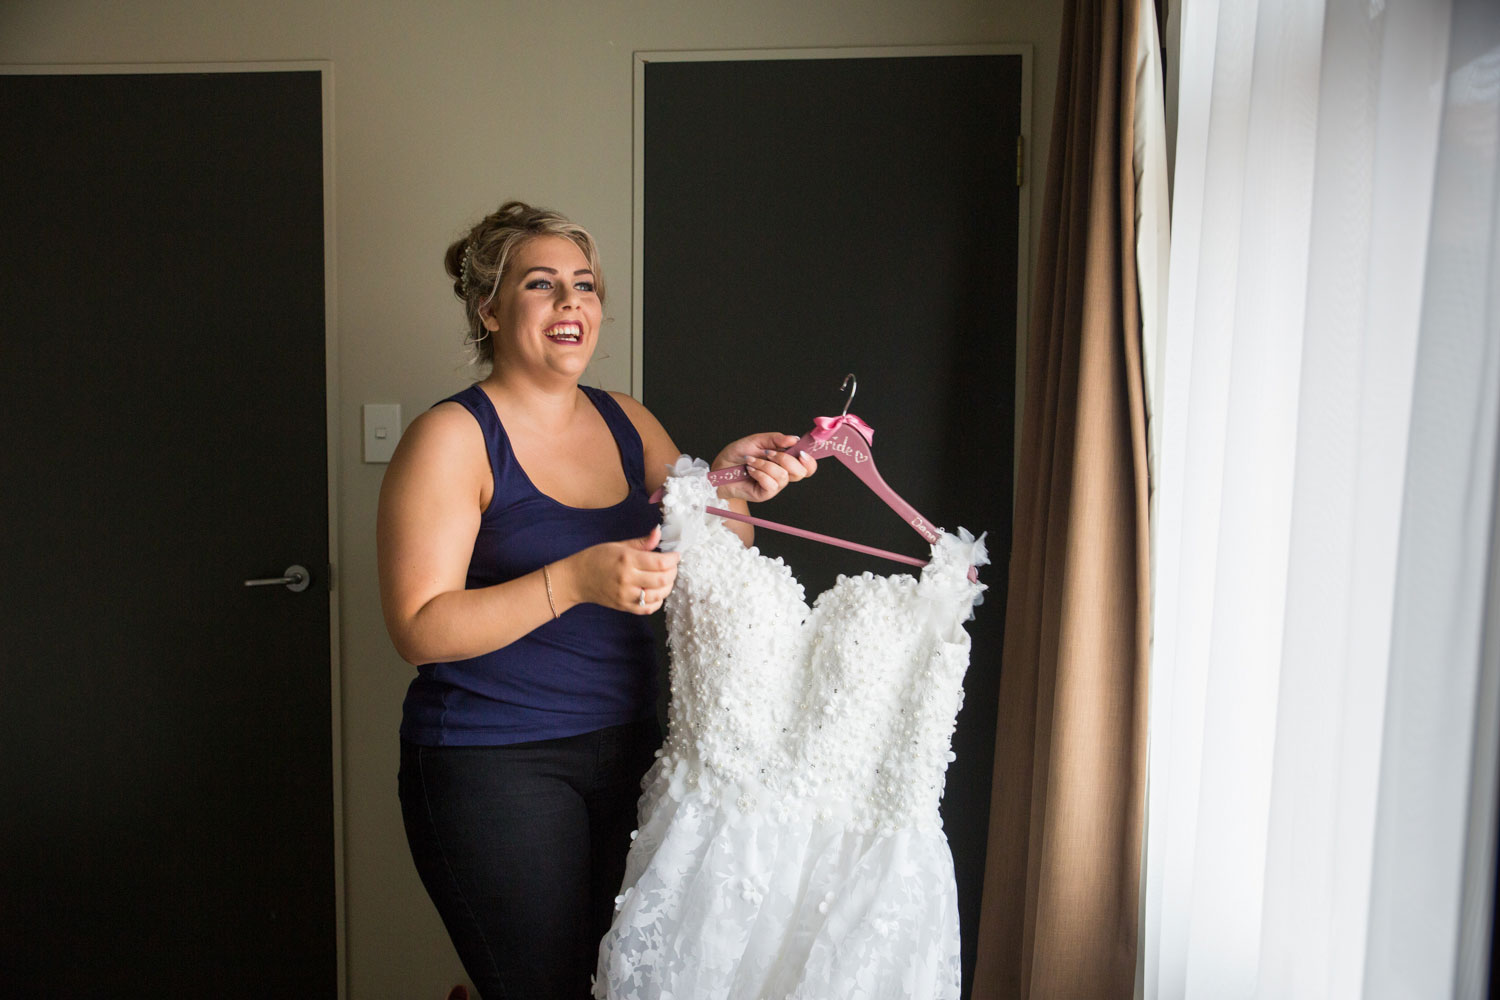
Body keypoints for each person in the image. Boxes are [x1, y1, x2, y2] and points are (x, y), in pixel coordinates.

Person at [377, 200, 816, 999]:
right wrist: (573, 581)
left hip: (633, 748)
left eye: (585, 285)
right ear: (490, 308)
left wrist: (730, 479)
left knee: (625, 982)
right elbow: (418, 627)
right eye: (542, 285)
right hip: (494, 763)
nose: (571, 303)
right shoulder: (452, 439)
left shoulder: (626, 421)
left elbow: (724, 549)